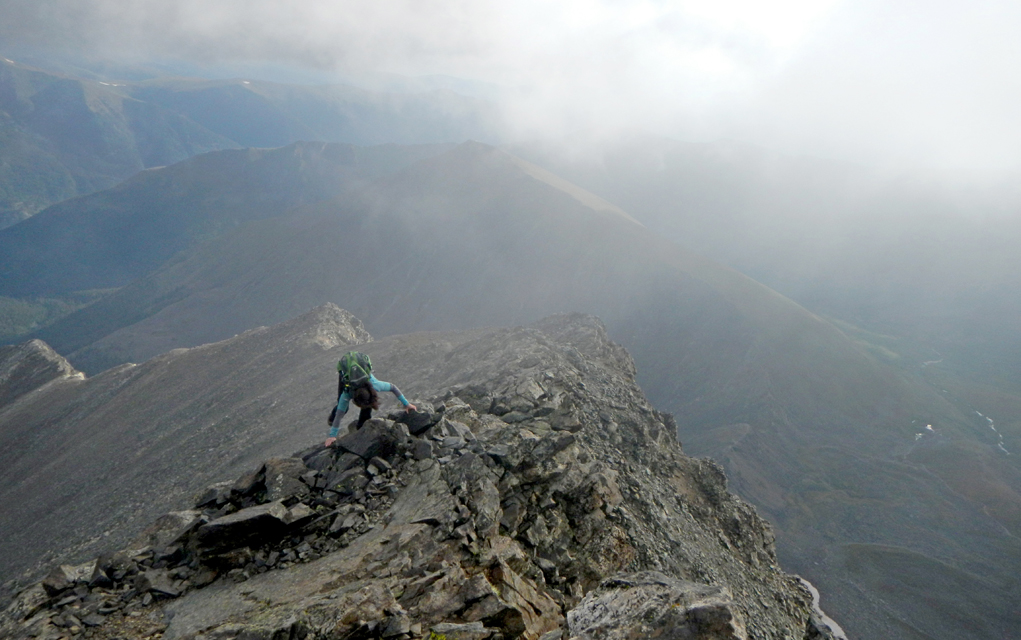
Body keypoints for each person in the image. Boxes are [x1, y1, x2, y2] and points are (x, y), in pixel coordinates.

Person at [325, 370, 416, 447]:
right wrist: (332, 435)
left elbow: (393, 387)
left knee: (368, 406)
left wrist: (407, 404)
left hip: (362, 375)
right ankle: (331, 420)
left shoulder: (375, 385)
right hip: (345, 373)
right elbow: (339, 414)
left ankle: (362, 427)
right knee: (343, 408)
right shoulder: (347, 393)